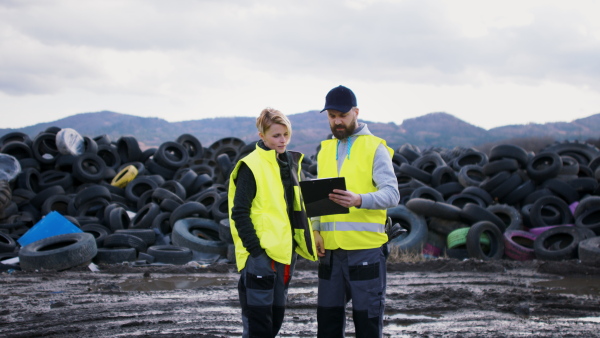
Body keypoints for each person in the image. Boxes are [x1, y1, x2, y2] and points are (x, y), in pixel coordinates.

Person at [312, 85, 400, 338]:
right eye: (332, 116)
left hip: (366, 251)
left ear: (356, 112)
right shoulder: (325, 150)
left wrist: (360, 199)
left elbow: (392, 194)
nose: (337, 121)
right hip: (330, 252)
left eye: (343, 115)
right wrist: (316, 230)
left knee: (367, 325)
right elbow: (319, 196)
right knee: (327, 326)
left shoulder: (375, 148)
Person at [228, 107, 318, 338]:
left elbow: (298, 208)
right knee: (258, 326)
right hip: (261, 256)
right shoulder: (251, 166)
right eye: (276, 135)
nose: (282, 140)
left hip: (286, 254)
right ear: (262, 136)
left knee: (275, 320)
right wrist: (256, 251)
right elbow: (239, 213)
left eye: (286, 134)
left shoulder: (292, 164)